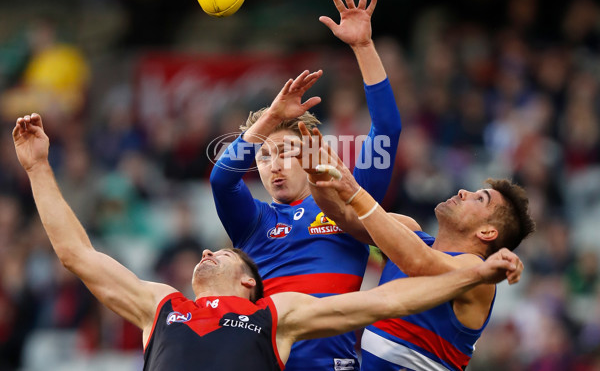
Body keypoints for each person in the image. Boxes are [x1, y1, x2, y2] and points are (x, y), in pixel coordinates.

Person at [13, 112, 524, 371]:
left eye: (226, 253)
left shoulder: (272, 319)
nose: (210, 251)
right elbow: (75, 254)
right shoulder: (162, 308)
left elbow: (386, 298)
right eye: (265, 156)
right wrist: (37, 167)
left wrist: (476, 271)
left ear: (249, 283)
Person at [209, 0, 402, 370]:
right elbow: (221, 180)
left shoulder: (348, 202)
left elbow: (387, 130)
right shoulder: (254, 220)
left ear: (311, 153)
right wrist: (270, 120)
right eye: (264, 157)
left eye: (285, 152)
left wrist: (364, 48)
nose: (274, 164)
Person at [286, 122, 536, 371]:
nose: (463, 192)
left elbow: (419, 263)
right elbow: (343, 215)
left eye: (480, 199)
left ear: (487, 232)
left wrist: (355, 193)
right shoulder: (408, 231)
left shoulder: (477, 274)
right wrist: (315, 174)